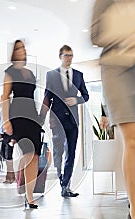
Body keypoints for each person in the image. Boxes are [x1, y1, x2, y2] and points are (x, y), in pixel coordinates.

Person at [91, 0, 135, 219]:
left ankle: (133, 204)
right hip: (115, 67)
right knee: (133, 137)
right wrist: (126, 34)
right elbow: (96, 36)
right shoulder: (104, 2)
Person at [40, 45, 89, 198]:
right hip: (57, 119)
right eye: (66, 55)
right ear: (60, 56)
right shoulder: (52, 75)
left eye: (71, 55)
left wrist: (77, 99)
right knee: (58, 151)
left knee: (71, 152)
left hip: (73, 120)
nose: (69, 58)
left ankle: (65, 185)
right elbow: (47, 97)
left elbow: (86, 96)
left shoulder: (79, 75)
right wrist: (41, 118)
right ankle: (61, 177)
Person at [1, 40, 42, 209]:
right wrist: (6, 121)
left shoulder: (30, 73)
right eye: (18, 48)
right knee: (27, 153)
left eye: (23, 48)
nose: (21, 51)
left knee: (35, 156)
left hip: (32, 114)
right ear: (14, 52)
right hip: (18, 115)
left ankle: (30, 195)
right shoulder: (9, 72)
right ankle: (21, 183)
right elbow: (4, 97)